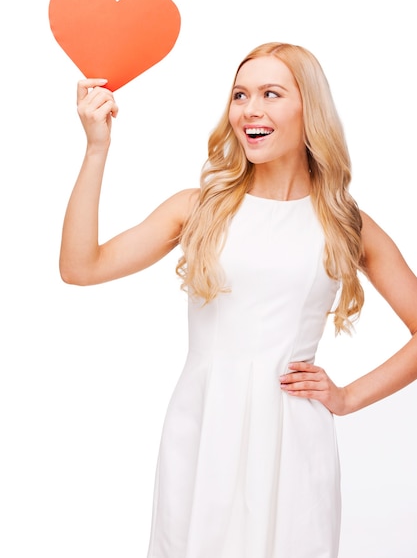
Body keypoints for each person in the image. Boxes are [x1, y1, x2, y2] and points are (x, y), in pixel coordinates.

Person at [59, 42, 417, 558]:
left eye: (271, 93)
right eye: (240, 94)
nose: (250, 109)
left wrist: (349, 397)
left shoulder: (342, 221)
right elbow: (80, 267)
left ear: (307, 108)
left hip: (294, 437)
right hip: (202, 429)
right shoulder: (199, 208)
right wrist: (96, 149)